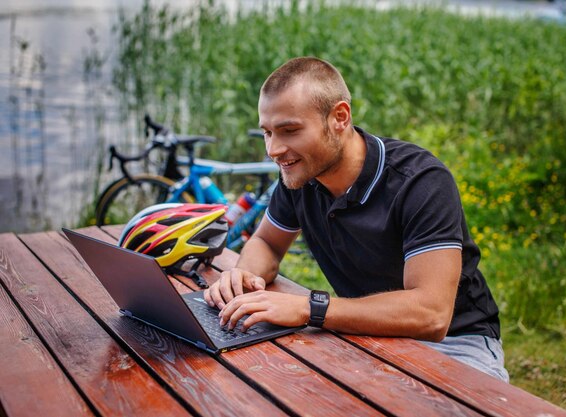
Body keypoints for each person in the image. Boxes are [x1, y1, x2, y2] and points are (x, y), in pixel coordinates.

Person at [204, 56, 509, 381]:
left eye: (289, 130)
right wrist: (243, 276)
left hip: (456, 343)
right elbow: (266, 241)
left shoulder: (421, 181)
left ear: (339, 117)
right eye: (267, 133)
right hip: (363, 332)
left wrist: (310, 307)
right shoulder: (300, 174)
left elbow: (431, 314)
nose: (274, 149)